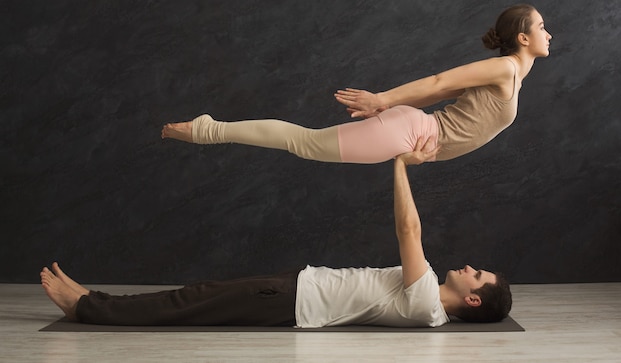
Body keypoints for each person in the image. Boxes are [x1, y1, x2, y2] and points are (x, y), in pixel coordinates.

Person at [41, 137, 512, 327]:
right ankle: (91, 299)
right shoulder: (429, 310)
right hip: (298, 289)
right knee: (196, 298)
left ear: (472, 298)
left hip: (291, 298)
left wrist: (400, 163)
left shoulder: (427, 299)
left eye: (477, 275)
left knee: (192, 300)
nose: (469, 267)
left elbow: (409, 228)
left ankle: (84, 306)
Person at [161, 4, 551, 163]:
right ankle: (208, 129)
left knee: (306, 142)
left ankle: (208, 129)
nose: (547, 34)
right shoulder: (506, 71)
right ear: (521, 38)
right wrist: (382, 99)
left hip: (415, 133)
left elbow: (441, 91)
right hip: (412, 131)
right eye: (541, 27)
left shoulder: (510, 77)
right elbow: (439, 79)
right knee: (305, 142)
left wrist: (388, 104)